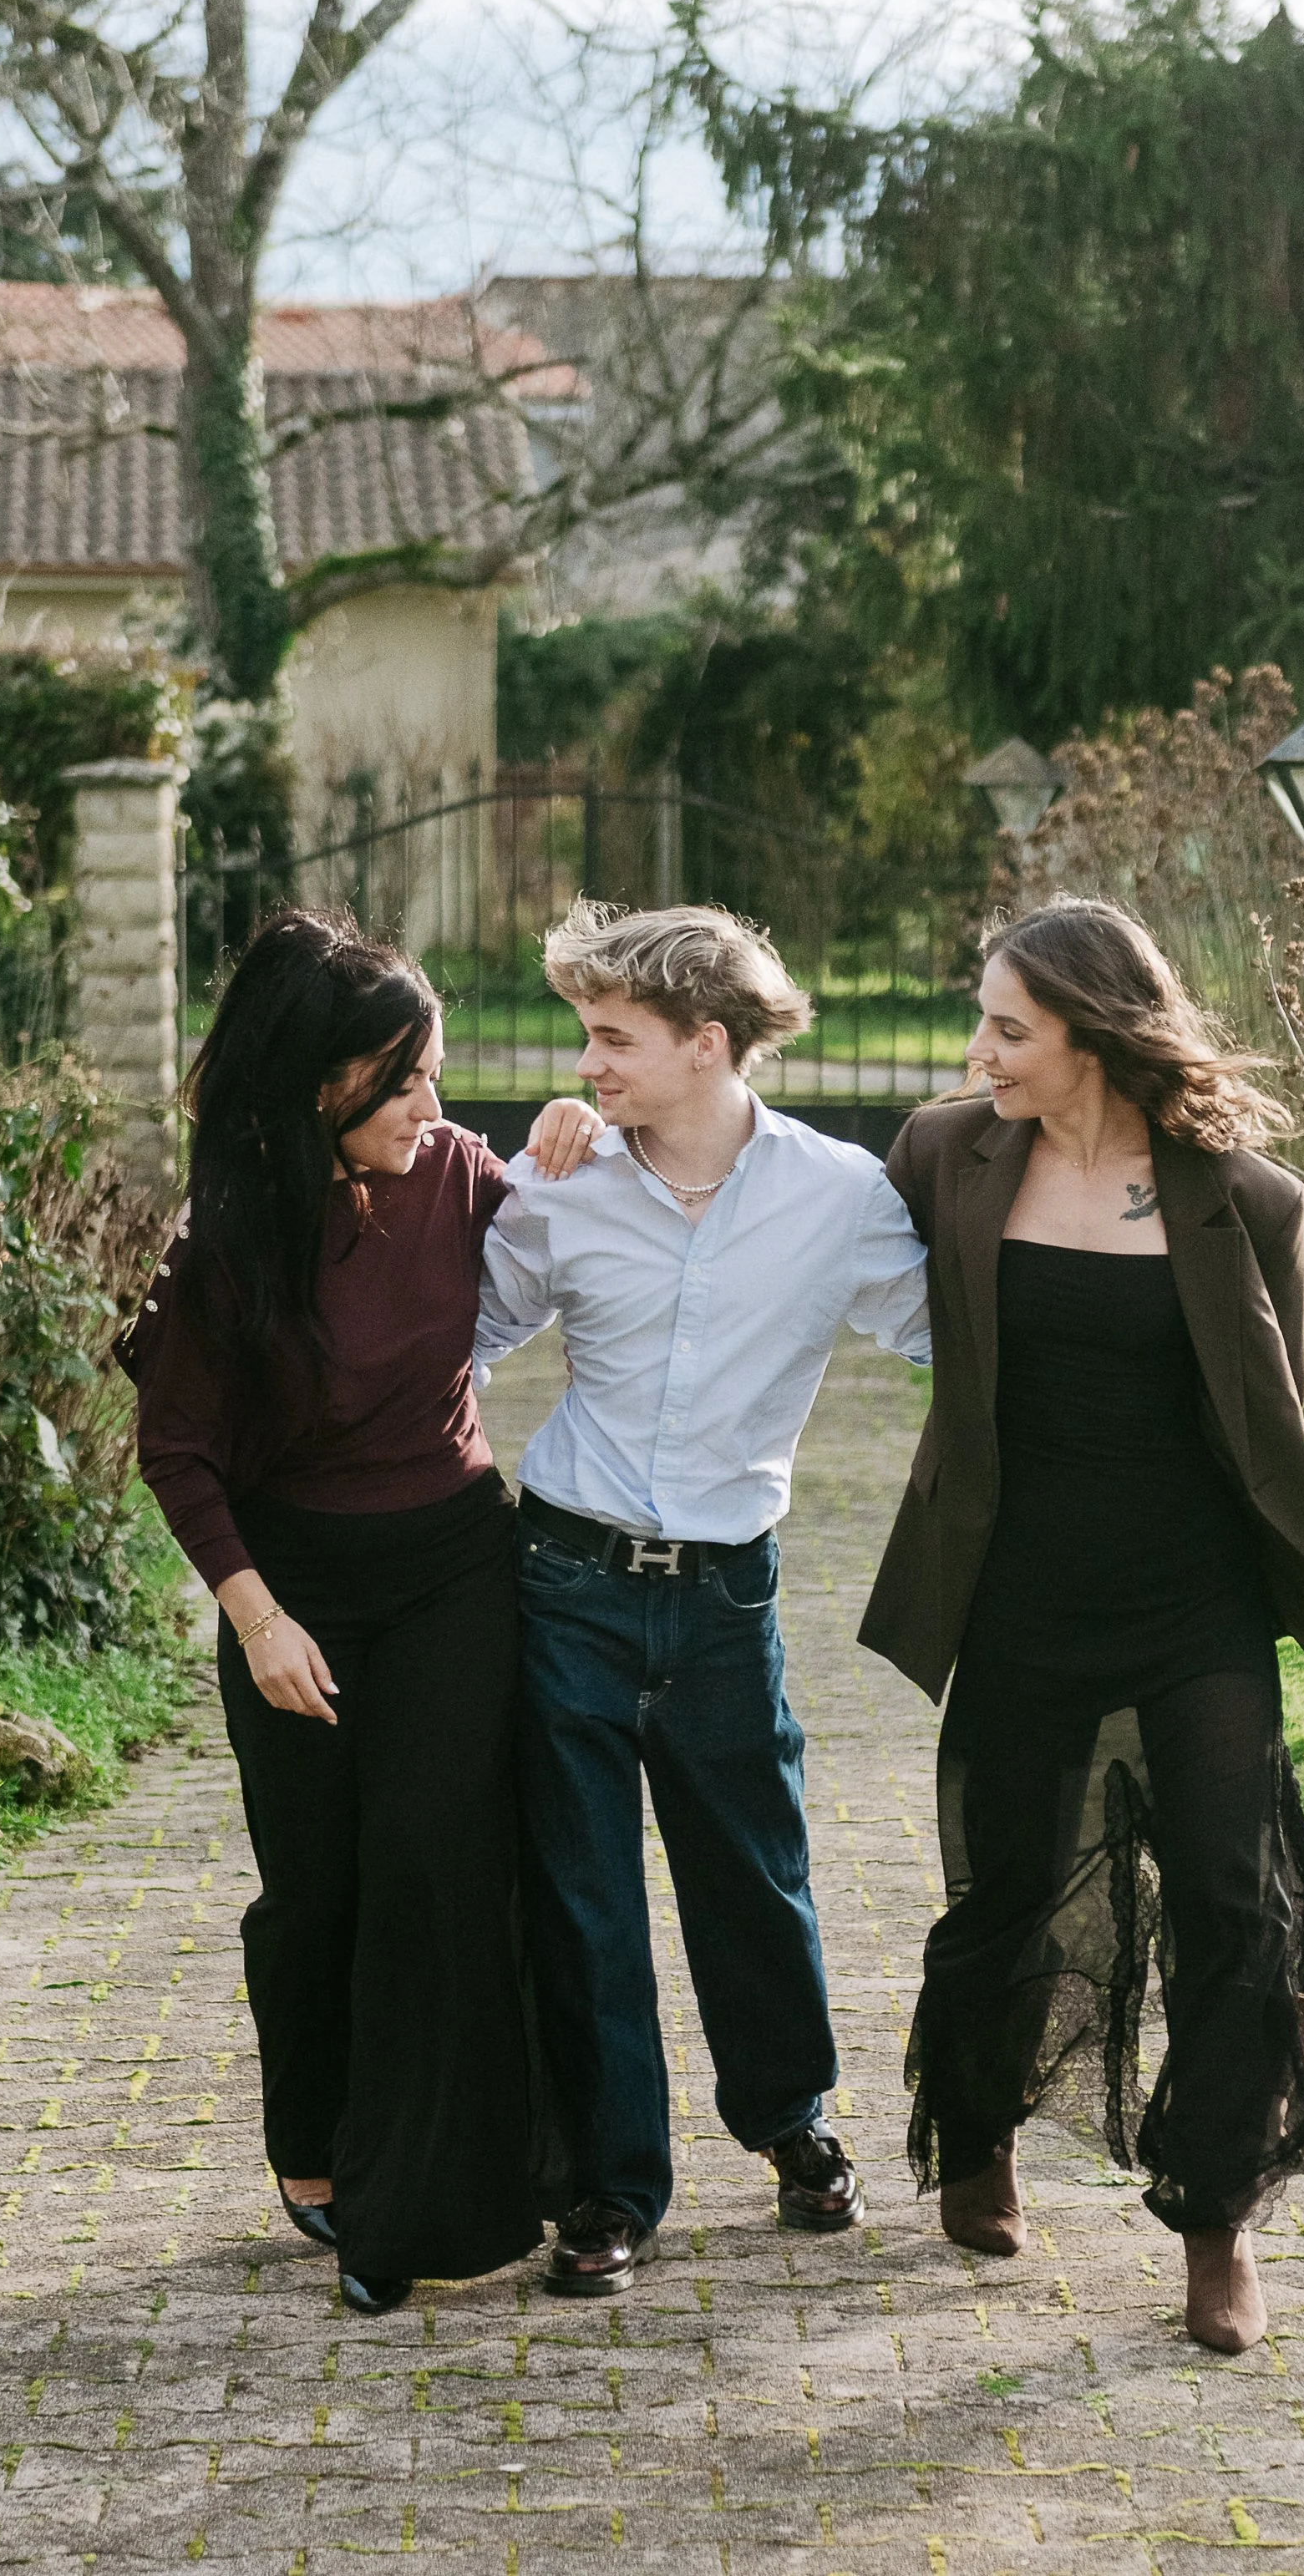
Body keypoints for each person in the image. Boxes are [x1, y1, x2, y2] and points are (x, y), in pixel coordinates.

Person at [860, 896, 1304, 2356]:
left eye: (1010, 1027)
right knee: (1006, 1889)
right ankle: (979, 2132)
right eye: (983, 1022)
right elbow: (779, 1198)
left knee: (1236, 1908)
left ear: (1095, 1034)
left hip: (1196, 1603)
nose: (981, 1050)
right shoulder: (944, 1154)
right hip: (1020, 1595)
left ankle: (1217, 2216)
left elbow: (1265, 1423)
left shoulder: (1244, 1196)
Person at [123, 908, 601, 2314]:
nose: (431, 1105)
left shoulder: (456, 1176)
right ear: (323, 1084)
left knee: (431, 1866)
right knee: (318, 1886)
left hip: (452, 1567)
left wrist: (581, 1128)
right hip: (293, 1589)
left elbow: (593, 1218)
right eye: (403, 1080)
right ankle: (313, 2138)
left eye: (435, 1072)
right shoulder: (231, 1231)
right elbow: (177, 1449)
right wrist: (257, 1619)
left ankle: (411, 2205)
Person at [475, 900, 933, 2300]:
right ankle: (614, 2186)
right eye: (587, 1037)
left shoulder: (840, 1197)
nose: (588, 1062)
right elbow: (462, 1339)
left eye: (615, 1038)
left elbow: (952, 1334)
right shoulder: (558, 1181)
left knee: (755, 1872)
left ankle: (791, 2119)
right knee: (585, 1893)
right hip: (566, 1580)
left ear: (708, 1042)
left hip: (730, 1596)